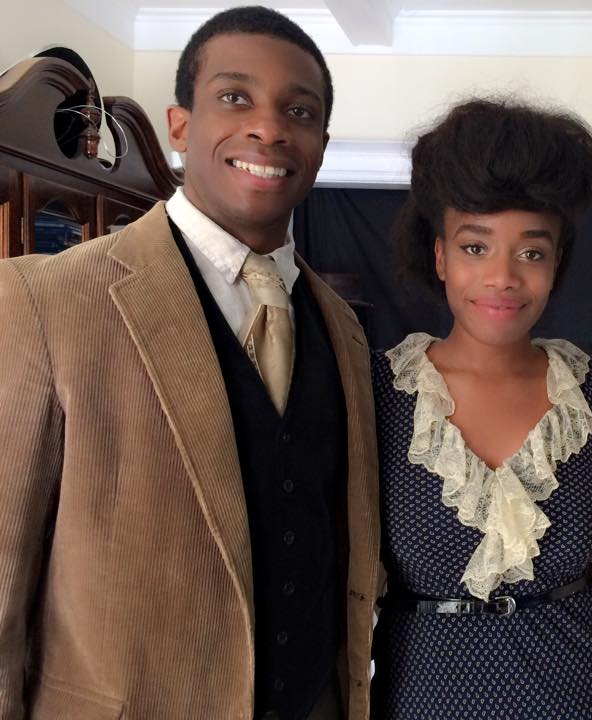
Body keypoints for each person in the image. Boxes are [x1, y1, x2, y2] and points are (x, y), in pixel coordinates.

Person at [0, 7, 379, 719]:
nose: (269, 127)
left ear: (322, 146)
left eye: (299, 111)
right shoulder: (44, 301)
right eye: (235, 97)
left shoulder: (345, 329)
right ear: (179, 125)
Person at [370, 98, 592, 719]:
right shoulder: (378, 390)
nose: (503, 277)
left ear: (556, 264)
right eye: (475, 247)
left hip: (583, 693)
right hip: (424, 697)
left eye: (531, 252)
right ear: (440, 256)